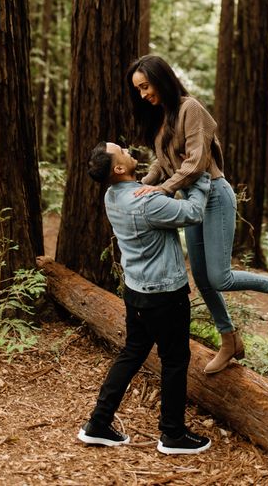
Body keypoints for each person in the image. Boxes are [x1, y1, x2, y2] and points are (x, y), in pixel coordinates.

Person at [126, 55, 268, 374]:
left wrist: (163, 190)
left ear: (160, 78)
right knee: (203, 278)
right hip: (191, 199)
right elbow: (162, 162)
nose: (143, 95)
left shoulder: (190, 108)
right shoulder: (162, 117)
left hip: (214, 195)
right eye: (138, 90)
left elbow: (197, 160)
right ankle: (230, 340)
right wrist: (141, 185)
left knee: (219, 276)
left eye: (145, 86)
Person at [77, 141, 212, 455]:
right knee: (175, 360)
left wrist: (159, 181)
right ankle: (172, 434)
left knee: (133, 352)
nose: (126, 149)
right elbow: (192, 213)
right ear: (120, 168)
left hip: (137, 292)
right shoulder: (146, 204)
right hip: (165, 295)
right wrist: (200, 176)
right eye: (121, 150)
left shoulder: (113, 195)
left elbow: (144, 191)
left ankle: (97, 424)